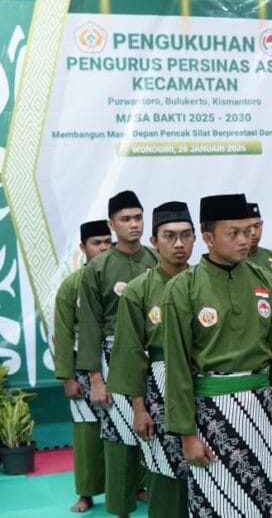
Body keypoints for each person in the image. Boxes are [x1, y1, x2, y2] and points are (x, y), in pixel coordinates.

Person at [163, 193, 272, 517]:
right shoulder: (183, 289)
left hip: (263, 411)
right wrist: (187, 435)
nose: (245, 240)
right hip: (210, 416)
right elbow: (177, 368)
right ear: (208, 238)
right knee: (217, 503)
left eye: (248, 231)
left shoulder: (266, 282)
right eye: (234, 233)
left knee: (268, 501)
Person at [107, 202, 195, 518]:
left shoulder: (204, 282)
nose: (179, 244)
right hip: (159, 388)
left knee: (208, 471)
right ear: (154, 241)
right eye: (169, 236)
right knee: (164, 470)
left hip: (204, 385)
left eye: (186, 235)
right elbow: (130, 352)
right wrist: (139, 408)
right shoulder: (138, 291)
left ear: (196, 238)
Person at [78, 190, 158, 517]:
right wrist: (95, 379)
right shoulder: (97, 268)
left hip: (156, 355)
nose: (134, 224)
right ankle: (121, 508)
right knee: (119, 436)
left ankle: (157, 497)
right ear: (112, 224)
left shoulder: (157, 259)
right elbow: (89, 326)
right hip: (113, 358)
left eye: (138, 217)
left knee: (158, 429)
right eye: (125, 219)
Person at [53, 219, 111, 513]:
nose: (103, 248)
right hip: (82, 368)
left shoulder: (121, 280)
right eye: (96, 243)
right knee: (87, 431)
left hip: (117, 363)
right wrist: (67, 378)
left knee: (127, 428)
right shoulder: (71, 285)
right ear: (83, 247)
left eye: (107, 242)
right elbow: (63, 333)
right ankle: (87, 493)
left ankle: (134, 486)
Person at [246, 201, 272, 271]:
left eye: (257, 226)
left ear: (261, 225)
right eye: (248, 227)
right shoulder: (231, 260)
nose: (253, 232)